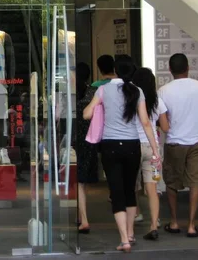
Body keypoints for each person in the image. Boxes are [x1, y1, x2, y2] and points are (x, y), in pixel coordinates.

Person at [84, 55, 161, 253]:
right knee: (129, 191)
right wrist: (155, 149)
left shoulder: (103, 89)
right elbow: (145, 122)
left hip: (110, 146)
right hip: (132, 146)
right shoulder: (138, 91)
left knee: (116, 191)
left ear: (116, 70)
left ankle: (124, 239)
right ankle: (131, 232)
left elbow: (87, 114)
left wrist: (98, 107)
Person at [159, 53, 198, 238]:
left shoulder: (163, 91)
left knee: (171, 183)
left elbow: (162, 120)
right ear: (188, 68)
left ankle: (175, 222)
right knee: (195, 183)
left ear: (170, 69)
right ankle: (192, 225)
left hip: (174, 142)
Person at [74, 56, 115, 234]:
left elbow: (84, 115)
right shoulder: (95, 91)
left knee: (81, 181)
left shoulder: (90, 90)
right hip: (103, 138)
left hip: (84, 139)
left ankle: (83, 218)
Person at [132, 68, 170, 240]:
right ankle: (154, 224)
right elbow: (165, 127)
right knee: (152, 189)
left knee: (131, 186)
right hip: (152, 147)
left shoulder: (131, 99)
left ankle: (136, 214)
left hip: (132, 145)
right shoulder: (158, 101)